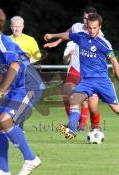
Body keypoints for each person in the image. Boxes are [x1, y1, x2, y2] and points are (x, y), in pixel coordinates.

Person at [44, 13, 119, 139]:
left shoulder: (103, 43)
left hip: (102, 81)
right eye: (90, 28)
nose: (92, 31)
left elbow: (114, 61)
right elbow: (67, 35)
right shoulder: (81, 37)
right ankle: (72, 129)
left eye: (95, 28)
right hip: (86, 81)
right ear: (86, 27)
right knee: (74, 99)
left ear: (99, 27)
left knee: (116, 108)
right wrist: (53, 36)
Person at [0, 7, 44, 175]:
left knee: (5, 121)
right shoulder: (0, 43)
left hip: (30, 87)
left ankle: (31, 158)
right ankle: (4, 171)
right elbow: (9, 68)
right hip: (18, 88)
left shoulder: (3, 43)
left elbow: (15, 66)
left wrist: (1, 90)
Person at [45, 7, 102, 136]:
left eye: (89, 19)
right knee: (67, 94)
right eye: (85, 18)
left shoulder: (98, 35)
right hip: (75, 69)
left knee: (92, 104)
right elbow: (68, 33)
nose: (86, 21)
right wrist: (56, 42)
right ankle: (73, 126)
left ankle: (94, 128)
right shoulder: (77, 27)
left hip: (89, 73)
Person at [10, 15, 42, 131]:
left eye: (19, 26)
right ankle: (15, 124)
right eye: (14, 26)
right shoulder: (6, 40)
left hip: (27, 74)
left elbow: (38, 55)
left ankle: (18, 124)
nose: (17, 29)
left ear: (23, 27)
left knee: (26, 99)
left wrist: (27, 62)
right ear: (11, 27)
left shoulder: (30, 40)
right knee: (15, 100)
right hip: (12, 74)